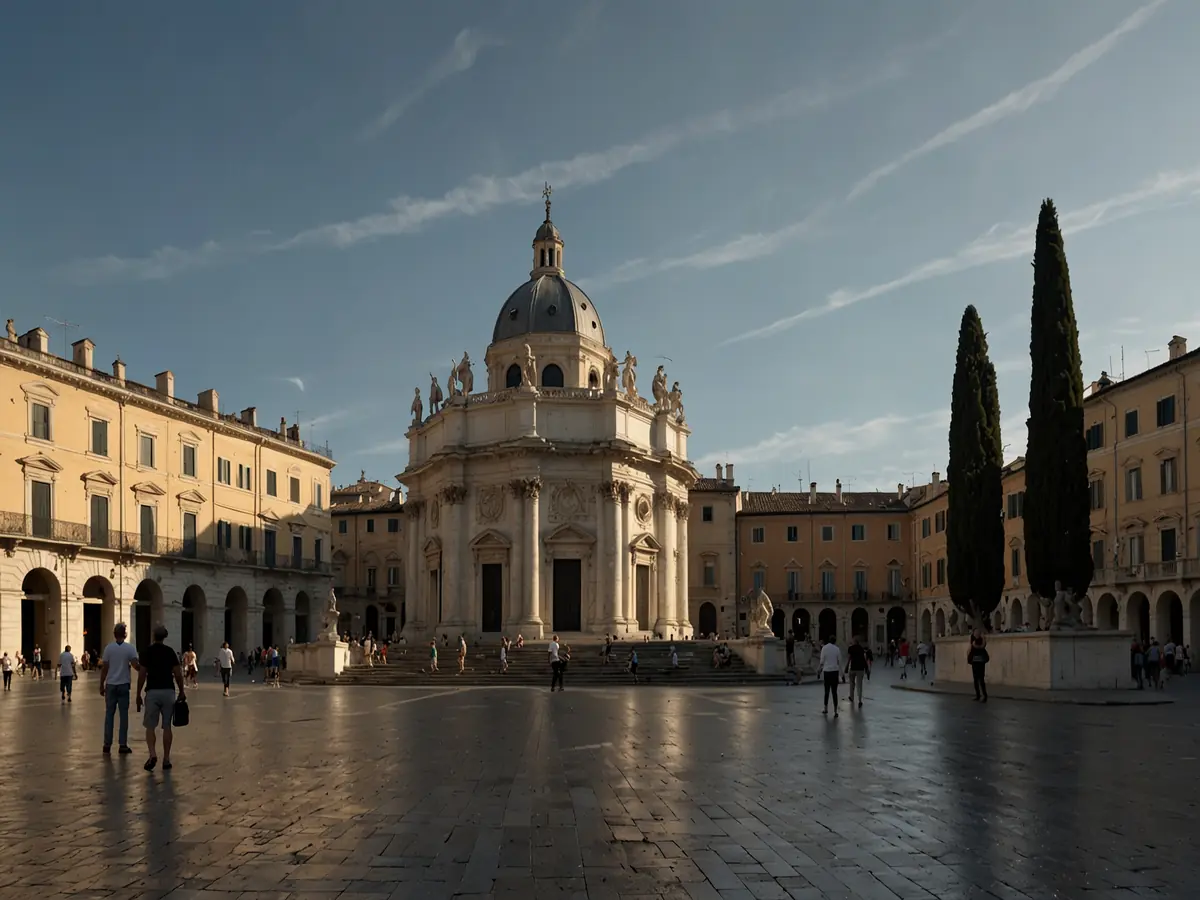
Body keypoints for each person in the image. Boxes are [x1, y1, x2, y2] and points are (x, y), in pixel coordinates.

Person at [135, 625, 186, 772]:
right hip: (168, 691)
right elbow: (178, 674)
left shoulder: (147, 652)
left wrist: (138, 694)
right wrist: (181, 691)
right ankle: (166, 759)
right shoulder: (169, 651)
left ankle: (152, 754)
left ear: (153, 636)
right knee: (167, 726)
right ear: (165, 637)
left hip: (152, 692)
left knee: (150, 726)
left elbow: (142, 674)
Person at [99, 623, 140, 755]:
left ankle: (107, 744)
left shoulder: (108, 649)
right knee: (123, 716)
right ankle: (122, 744)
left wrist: (101, 684)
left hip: (110, 685)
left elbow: (105, 668)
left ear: (114, 634)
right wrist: (145, 670)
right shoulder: (130, 648)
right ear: (125, 634)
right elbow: (135, 665)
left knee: (109, 715)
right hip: (123, 685)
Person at [819, 637, 842, 716]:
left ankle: (826, 708)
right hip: (835, 672)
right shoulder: (837, 649)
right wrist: (841, 674)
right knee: (834, 692)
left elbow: (822, 661)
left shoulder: (824, 648)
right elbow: (839, 661)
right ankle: (835, 711)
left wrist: (819, 670)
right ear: (835, 641)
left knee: (826, 691)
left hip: (827, 672)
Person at [844, 637, 869, 709]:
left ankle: (851, 697)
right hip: (860, 668)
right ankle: (860, 700)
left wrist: (846, 666)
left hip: (853, 668)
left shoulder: (850, 648)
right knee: (859, 685)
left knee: (851, 683)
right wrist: (867, 668)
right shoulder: (861, 649)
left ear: (854, 642)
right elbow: (864, 659)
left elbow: (849, 658)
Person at [969, 634, 990, 702]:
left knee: (981, 680)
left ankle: (984, 695)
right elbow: (971, 647)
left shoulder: (981, 640)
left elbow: (982, 646)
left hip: (980, 662)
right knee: (975, 679)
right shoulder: (973, 639)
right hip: (975, 662)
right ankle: (978, 695)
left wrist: (982, 639)